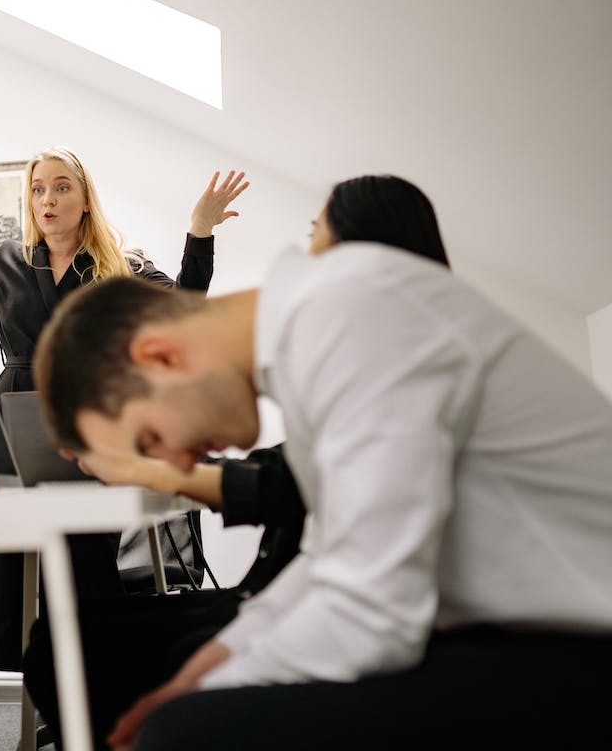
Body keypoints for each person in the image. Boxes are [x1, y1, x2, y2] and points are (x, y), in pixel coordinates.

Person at [33, 177, 612, 750]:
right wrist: (212, 664)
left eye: (152, 437)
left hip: (578, 646)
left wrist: (202, 695)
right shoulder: (311, 332)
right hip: (519, 631)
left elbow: (372, 611)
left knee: (181, 733)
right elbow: (329, 556)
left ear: (158, 356)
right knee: (184, 703)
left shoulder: (349, 311)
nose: (178, 463)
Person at [0, 147, 249, 671]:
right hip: (16, 416)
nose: (48, 198)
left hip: (89, 419)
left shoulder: (121, 265)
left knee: (87, 556)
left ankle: (91, 680)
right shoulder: (4, 260)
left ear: (85, 199)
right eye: (38, 188)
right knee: (16, 554)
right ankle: (38, 678)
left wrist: (200, 231)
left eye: (62, 186)